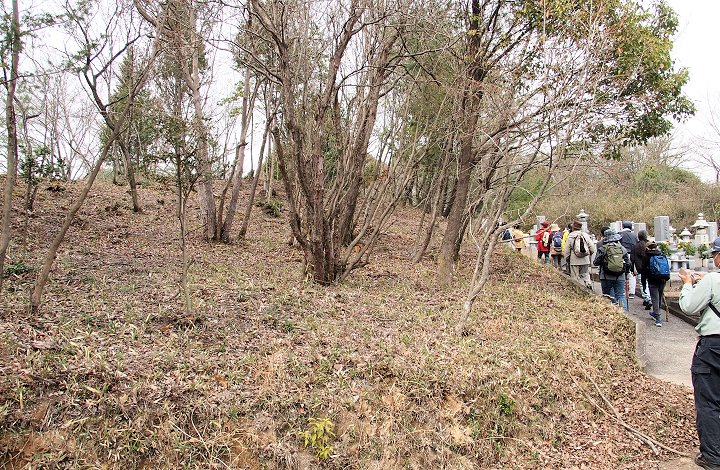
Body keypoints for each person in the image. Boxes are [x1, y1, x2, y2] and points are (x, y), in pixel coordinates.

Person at [678, 236, 720, 470]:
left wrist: (687, 283)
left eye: (714, 254)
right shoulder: (711, 279)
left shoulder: (713, 280)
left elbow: (688, 306)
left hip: (713, 346)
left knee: (709, 401)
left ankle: (713, 457)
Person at [594, 228, 631, 311]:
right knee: (620, 295)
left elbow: (596, 262)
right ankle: (624, 313)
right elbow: (628, 263)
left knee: (607, 296)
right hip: (620, 276)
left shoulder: (603, 249)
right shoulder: (622, 249)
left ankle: (611, 312)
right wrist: (626, 273)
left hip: (605, 276)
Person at [642, 241, 669, 327]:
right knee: (659, 297)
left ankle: (658, 319)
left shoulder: (646, 257)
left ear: (647, 248)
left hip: (652, 280)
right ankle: (655, 312)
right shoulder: (662, 255)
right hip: (662, 279)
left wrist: (643, 284)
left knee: (654, 299)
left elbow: (643, 272)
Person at [563, 220, 596, 289]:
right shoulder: (585, 235)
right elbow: (592, 247)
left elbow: (567, 250)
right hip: (585, 259)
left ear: (573, 228)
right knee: (585, 274)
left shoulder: (570, 236)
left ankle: (577, 289)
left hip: (574, 260)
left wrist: (567, 258)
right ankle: (588, 285)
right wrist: (589, 254)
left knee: (575, 276)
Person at [632, 230, 653, 310]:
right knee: (650, 283)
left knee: (643, 284)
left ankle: (647, 298)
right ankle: (650, 298)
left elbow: (632, 259)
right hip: (650, 267)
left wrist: (632, 269)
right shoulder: (649, 245)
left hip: (640, 268)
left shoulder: (635, 246)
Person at [619, 221, 639, 299]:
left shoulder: (620, 234)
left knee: (621, 273)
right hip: (632, 256)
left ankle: (622, 291)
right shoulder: (634, 236)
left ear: (623, 227)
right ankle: (632, 293)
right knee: (632, 274)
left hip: (622, 255)